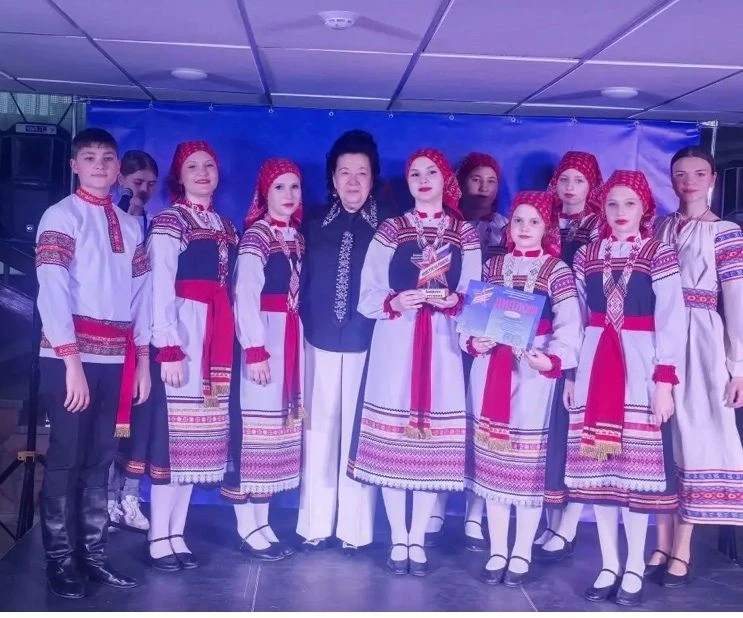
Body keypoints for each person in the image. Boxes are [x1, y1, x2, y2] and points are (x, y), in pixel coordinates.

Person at [348, 148, 481, 576]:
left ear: (445, 180)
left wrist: (455, 301)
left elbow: (475, 296)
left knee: (431, 444)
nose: (423, 180)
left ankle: (418, 538)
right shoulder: (392, 229)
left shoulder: (464, 233)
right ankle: (398, 537)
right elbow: (367, 291)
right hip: (396, 339)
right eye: (414, 174)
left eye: (431, 173)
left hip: (443, 344)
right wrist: (395, 300)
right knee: (394, 439)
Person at [35, 128, 151, 598]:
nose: (99, 165)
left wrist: (142, 362)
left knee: (101, 460)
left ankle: (94, 555)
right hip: (69, 359)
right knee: (66, 457)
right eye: (89, 157)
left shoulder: (130, 224)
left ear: (118, 167)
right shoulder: (60, 216)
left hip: (116, 358)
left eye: (107, 157)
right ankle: (60, 561)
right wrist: (71, 362)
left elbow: (141, 298)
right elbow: (52, 289)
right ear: (74, 165)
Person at [564, 170, 685, 607]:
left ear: (644, 208)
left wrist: (664, 382)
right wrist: (571, 374)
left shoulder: (659, 254)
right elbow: (576, 318)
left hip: (639, 363)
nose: (620, 212)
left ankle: (634, 565)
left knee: (634, 477)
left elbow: (672, 318)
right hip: (595, 363)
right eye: (612, 203)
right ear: (601, 206)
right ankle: (609, 564)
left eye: (629, 203)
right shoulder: (587, 255)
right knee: (600, 475)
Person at [463, 190, 581, 586]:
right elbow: (473, 319)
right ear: (509, 225)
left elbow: (570, 325)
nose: (525, 228)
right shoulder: (493, 265)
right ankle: (498, 549)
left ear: (546, 227)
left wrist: (551, 359)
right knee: (493, 464)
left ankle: (522, 551)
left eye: (534, 222)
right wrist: (475, 341)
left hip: (532, 375)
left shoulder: (556, 270)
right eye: (518, 221)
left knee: (527, 467)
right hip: (492, 369)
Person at [142, 141, 239, 572]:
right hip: (183, 330)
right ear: (178, 176)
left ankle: (177, 531)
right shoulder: (170, 221)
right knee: (173, 438)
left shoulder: (226, 226)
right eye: (193, 166)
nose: (202, 172)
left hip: (214, 335)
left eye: (209, 165)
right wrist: (169, 346)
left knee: (197, 443)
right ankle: (157, 534)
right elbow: (160, 284)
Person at [650, 147, 743, 587]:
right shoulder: (659, 226)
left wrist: (738, 365)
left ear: (713, 180)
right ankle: (660, 541)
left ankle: (682, 547)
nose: (688, 182)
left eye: (699, 174)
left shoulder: (725, 233)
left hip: (701, 338)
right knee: (659, 440)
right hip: (657, 334)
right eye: (680, 174)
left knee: (694, 436)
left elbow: (737, 301)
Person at [296, 130, 387, 553]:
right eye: (344, 172)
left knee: (358, 436)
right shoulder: (311, 222)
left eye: (361, 173)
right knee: (317, 431)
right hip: (316, 339)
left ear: (373, 178)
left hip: (369, 343)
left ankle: (356, 530)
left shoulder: (390, 227)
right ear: (332, 178)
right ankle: (314, 524)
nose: (353, 181)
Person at [220, 159, 305, 561]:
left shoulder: (296, 238)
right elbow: (245, 294)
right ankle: (245, 525)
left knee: (276, 433)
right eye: (279, 188)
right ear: (264, 194)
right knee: (254, 431)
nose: (288, 195)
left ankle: (263, 520)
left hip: (290, 335)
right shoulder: (257, 236)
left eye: (294, 187)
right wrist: (254, 349)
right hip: (265, 336)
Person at [426, 151, 507, 551]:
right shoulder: (447, 226)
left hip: (490, 333)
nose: (483, 188)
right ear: (460, 182)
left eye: (491, 181)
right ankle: (436, 504)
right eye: (476, 179)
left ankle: (475, 514)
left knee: (480, 420)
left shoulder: (509, 227)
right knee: (443, 418)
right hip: (445, 329)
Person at [534, 151, 603, 560]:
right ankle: (549, 519)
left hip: (589, 332)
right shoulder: (542, 221)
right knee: (549, 433)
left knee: (576, 431)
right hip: (546, 336)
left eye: (579, 180)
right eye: (564, 179)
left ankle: (569, 524)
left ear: (592, 185)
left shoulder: (600, 226)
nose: (570, 188)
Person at [108, 149, 159, 533]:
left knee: (142, 421)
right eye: (137, 182)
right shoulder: (109, 220)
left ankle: (130, 497)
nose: (143, 190)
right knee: (112, 422)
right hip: (111, 333)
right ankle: (105, 500)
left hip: (146, 333)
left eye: (151, 184)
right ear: (121, 180)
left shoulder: (156, 225)